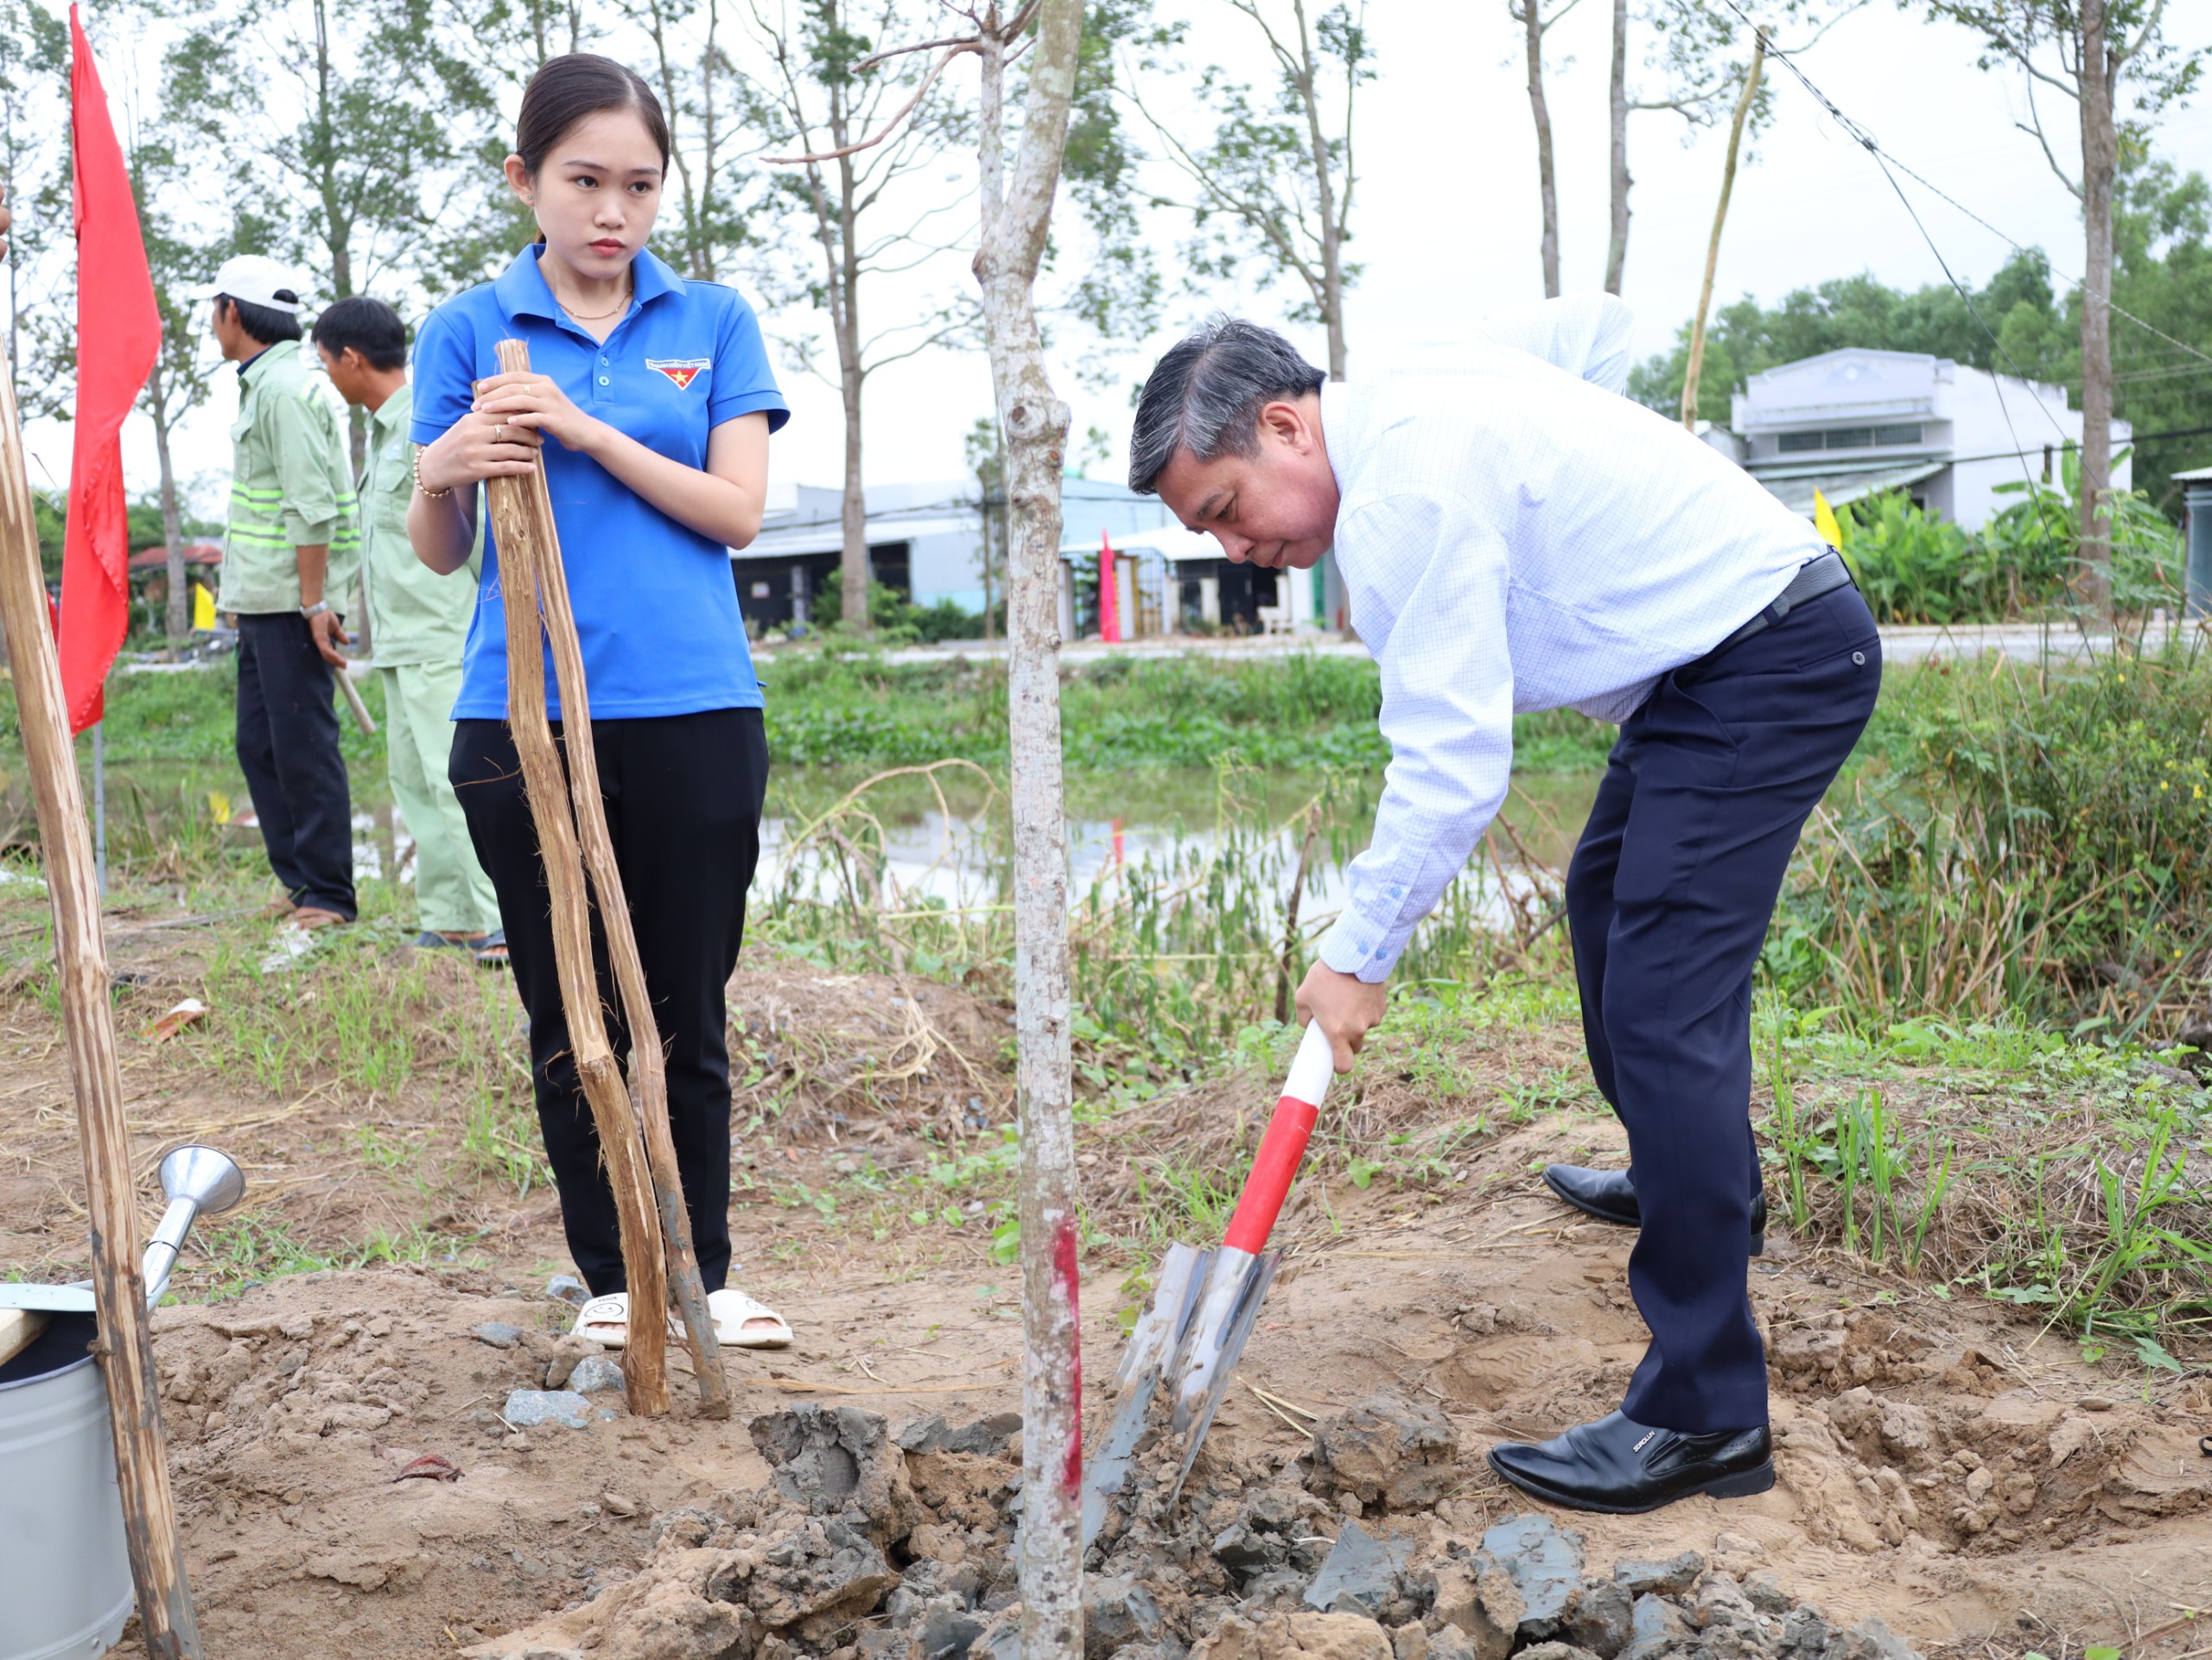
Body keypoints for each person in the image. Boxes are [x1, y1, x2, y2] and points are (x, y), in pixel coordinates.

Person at [1128, 301, 1882, 1515]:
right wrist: (1595, 459)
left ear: (1283, 424)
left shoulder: (1399, 498)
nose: (1234, 549)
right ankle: (1686, 1170)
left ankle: (1704, 1414)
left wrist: (1358, 956)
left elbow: (1450, 766)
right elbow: (1593, 330)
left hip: (1763, 657)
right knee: (1605, 903)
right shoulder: (1424, 373)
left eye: (1225, 509)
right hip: (1711, 661)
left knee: (1661, 1005)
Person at [407, 54, 791, 1351]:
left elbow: (735, 511)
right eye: (584, 181)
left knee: (685, 1001)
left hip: (694, 710)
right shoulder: (471, 328)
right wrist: (440, 468)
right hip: (521, 718)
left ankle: (703, 1269)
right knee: (571, 1007)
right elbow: (440, 549)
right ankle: (614, 1278)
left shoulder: (713, 323)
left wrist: (581, 426)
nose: (613, 211)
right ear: (525, 181)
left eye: (639, 183)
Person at [313, 296, 505, 965]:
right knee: (415, 786)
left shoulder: (433, 423)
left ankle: (501, 921)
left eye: (326, 363)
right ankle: (449, 916)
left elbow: (479, 539)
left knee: (461, 784)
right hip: (397, 643)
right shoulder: (382, 434)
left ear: (351, 357)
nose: (328, 377)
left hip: (441, 637)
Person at [201, 254, 362, 931]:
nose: (213, 325)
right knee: (259, 743)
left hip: (293, 602)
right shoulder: (267, 383)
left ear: (233, 313)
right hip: (267, 600)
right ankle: (300, 882)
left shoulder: (283, 391)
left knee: (302, 744)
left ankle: (329, 894)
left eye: (214, 312)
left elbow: (310, 506)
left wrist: (314, 602)